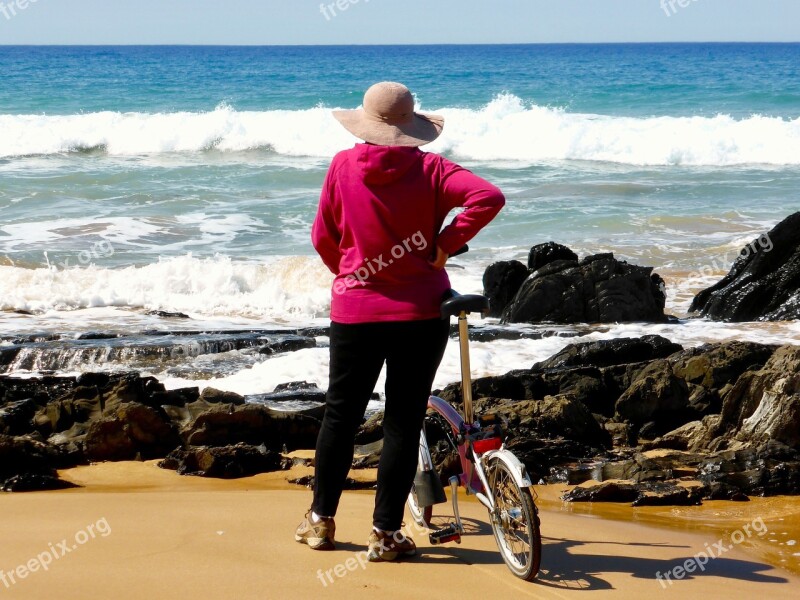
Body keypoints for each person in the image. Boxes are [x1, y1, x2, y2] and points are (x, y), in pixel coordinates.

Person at [295, 81, 504, 562]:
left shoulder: (343, 166)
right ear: (412, 128)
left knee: (340, 416)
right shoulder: (432, 169)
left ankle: (320, 522)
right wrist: (446, 244)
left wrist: (352, 275)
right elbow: (488, 197)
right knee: (402, 423)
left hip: (355, 312)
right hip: (419, 313)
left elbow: (322, 236)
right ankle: (385, 534)